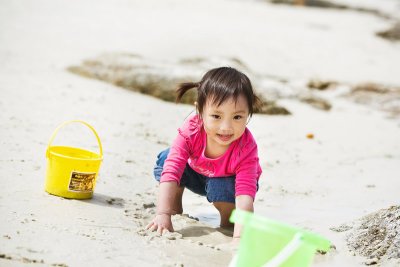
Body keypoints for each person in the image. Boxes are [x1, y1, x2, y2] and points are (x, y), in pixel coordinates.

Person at [146, 67, 262, 241]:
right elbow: (172, 169)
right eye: (216, 116)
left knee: (220, 186)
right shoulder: (191, 131)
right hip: (197, 174)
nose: (226, 127)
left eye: (237, 117)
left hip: (227, 183)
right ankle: (174, 207)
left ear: (248, 113)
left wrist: (239, 237)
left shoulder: (246, 147)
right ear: (200, 111)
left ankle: (228, 221)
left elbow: (244, 193)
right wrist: (163, 214)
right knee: (166, 158)